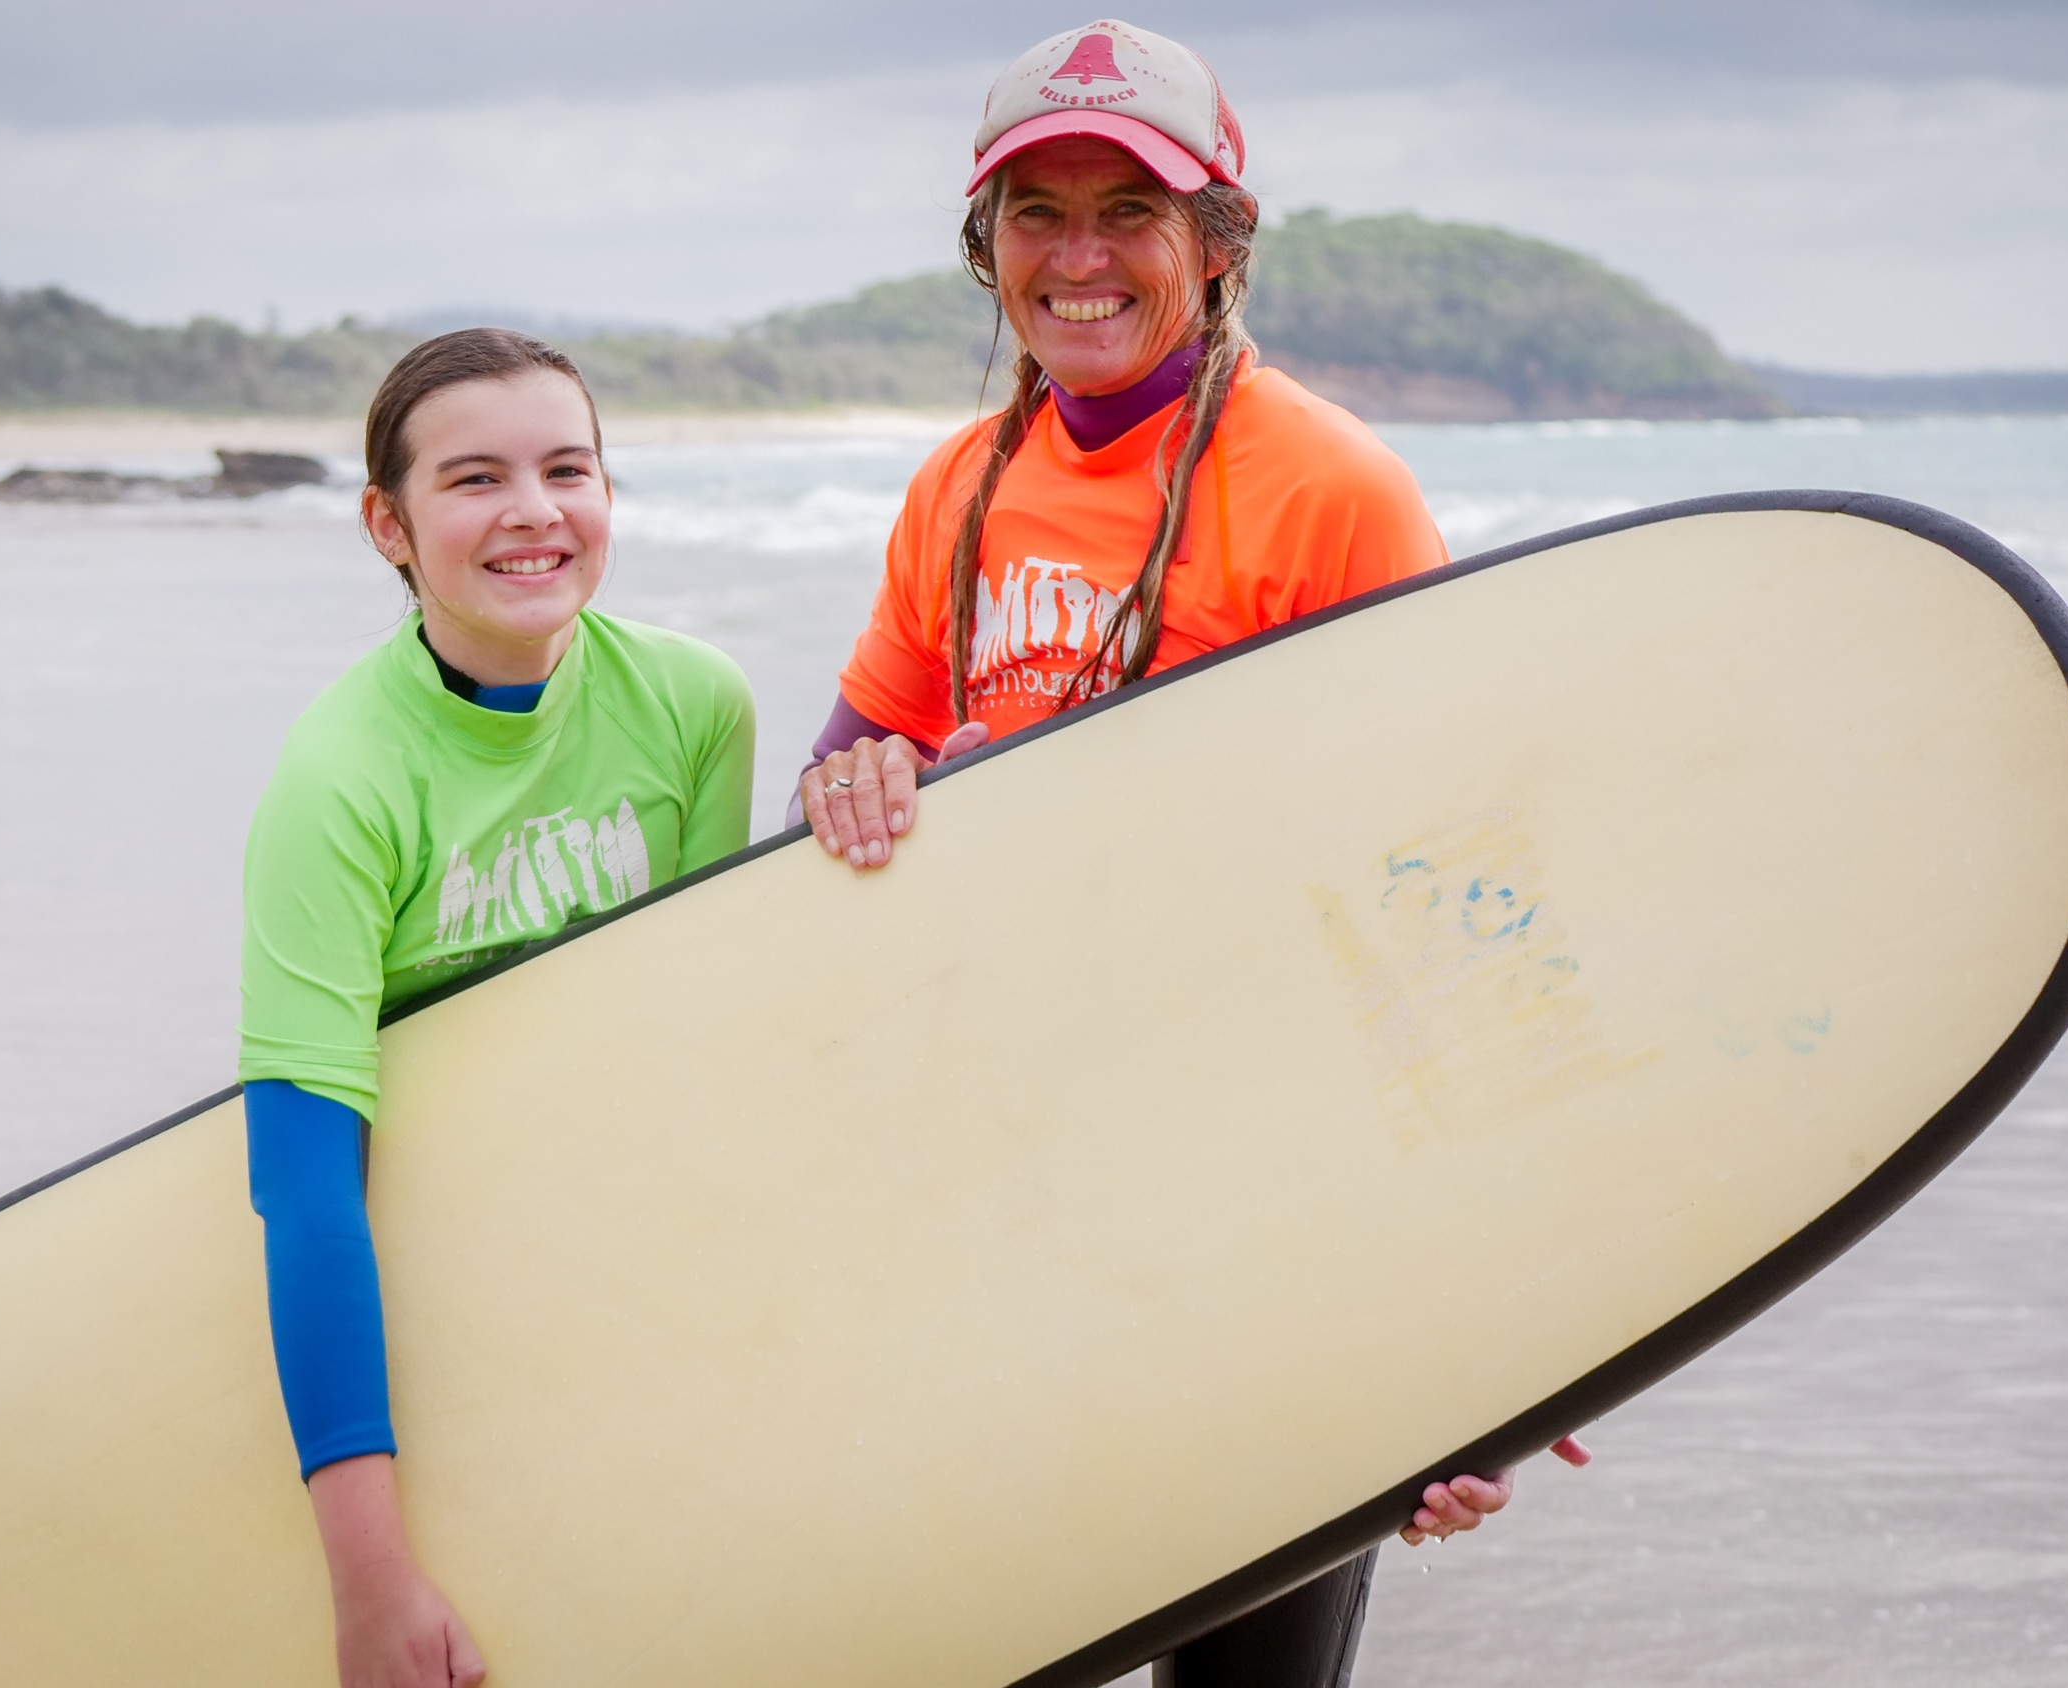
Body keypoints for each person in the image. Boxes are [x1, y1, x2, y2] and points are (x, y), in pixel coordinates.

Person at [790, 20, 1591, 1687]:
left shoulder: (1330, 491)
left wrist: (1500, 1352)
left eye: (1127, 211)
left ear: (1218, 244)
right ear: (984, 248)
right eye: (1035, 213)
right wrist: (858, 794)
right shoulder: (960, 483)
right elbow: (860, 749)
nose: (1077, 259)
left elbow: (1452, 915)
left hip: (1275, 1205)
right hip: (1008, 1193)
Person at [237, 328, 755, 1688]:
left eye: (567, 469)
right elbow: (303, 1186)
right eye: (475, 479)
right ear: (388, 526)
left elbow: (701, 1060)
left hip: (611, 1288)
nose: (534, 513)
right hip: (412, 1296)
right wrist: (369, 1585)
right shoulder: (340, 780)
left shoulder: (696, 706)